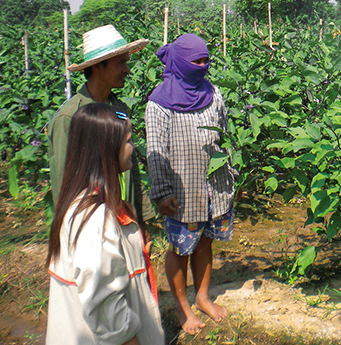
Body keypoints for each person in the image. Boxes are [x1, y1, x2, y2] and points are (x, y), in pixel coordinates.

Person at [46, 103, 164, 345]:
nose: (133, 148)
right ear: (107, 149)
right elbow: (107, 307)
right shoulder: (94, 220)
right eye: (128, 141)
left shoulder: (83, 203)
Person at [145, 33, 237, 334]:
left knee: (205, 241)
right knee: (180, 248)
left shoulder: (213, 93)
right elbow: (155, 151)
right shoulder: (159, 104)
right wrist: (161, 192)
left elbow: (224, 134)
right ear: (181, 62)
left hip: (214, 187)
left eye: (206, 60)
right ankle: (181, 305)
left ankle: (202, 297)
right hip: (182, 192)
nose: (202, 66)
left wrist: (231, 171)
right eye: (196, 61)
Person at [46, 24, 155, 225]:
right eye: (120, 63)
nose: (127, 70)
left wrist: (142, 218)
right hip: (91, 223)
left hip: (124, 219)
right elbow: (64, 182)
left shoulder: (118, 108)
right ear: (97, 66)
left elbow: (131, 170)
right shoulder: (69, 118)